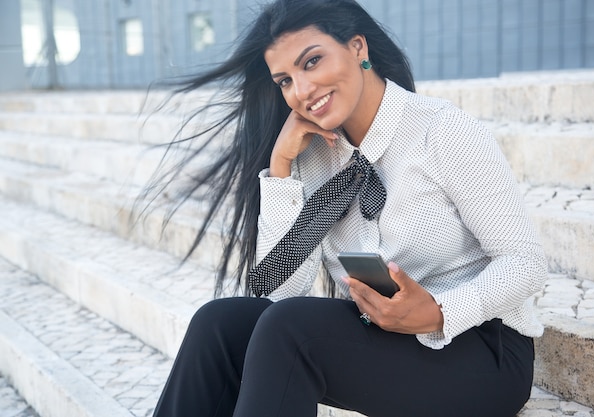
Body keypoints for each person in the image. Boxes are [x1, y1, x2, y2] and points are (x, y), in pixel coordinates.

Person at [150, 0, 548, 416]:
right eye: (284, 80)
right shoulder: (314, 157)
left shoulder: (442, 131)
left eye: (312, 61)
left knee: (291, 330)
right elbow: (281, 291)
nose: (301, 92)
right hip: (387, 339)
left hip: (483, 351)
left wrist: (437, 312)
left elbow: (525, 263)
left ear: (358, 47)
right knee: (220, 324)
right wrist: (282, 170)